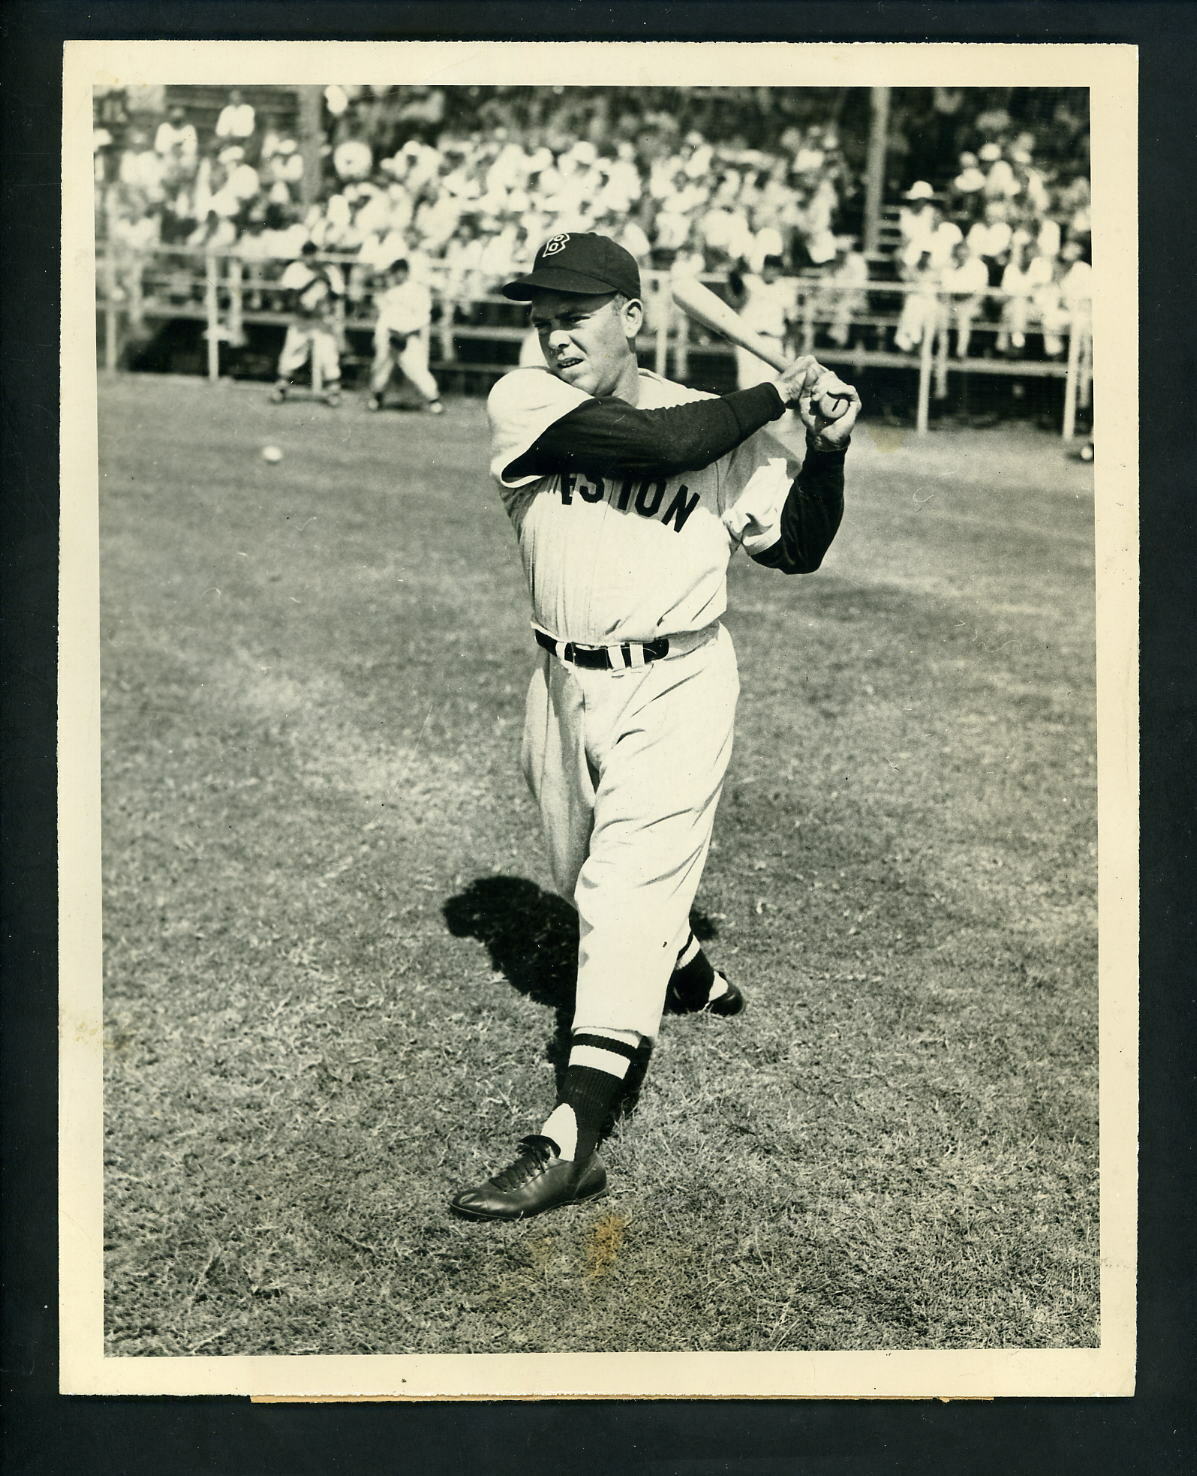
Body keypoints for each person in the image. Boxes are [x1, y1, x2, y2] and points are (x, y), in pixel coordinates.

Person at [450, 232, 861, 1221]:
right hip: (559, 685)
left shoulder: (718, 419)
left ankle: (571, 1137)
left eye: (574, 316)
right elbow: (664, 445)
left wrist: (829, 452)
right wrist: (778, 392)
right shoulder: (527, 401)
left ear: (632, 317)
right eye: (540, 317)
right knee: (589, 881)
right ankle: (683, 969)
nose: (552, 336)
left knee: (625, 889)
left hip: (678, 680)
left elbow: (795, 550)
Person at [270, 241, 346, 406]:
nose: (309, 257)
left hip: (322, 319)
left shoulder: (329, 270)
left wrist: (327, 299)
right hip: (301, 318)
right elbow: (288, 295)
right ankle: (281, 387)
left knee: (328, 355)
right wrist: (303, 300)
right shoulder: (295, 269)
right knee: (292, 351)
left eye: (312, 253)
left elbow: (338, 295)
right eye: (306, 253)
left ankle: (333, 391)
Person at [366, 258, 445, 414]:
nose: (398, 275)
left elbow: (424, 316)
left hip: (410, 336)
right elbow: (385, 317)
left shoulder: (419, 291)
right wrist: (382, 335)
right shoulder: (390, 292)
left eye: (401, 272)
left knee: (417, 370)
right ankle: (376, 398)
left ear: (406, 272)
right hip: (391, 335)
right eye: (395, 272)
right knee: (382, 368)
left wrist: (407, 332)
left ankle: (434, 400)